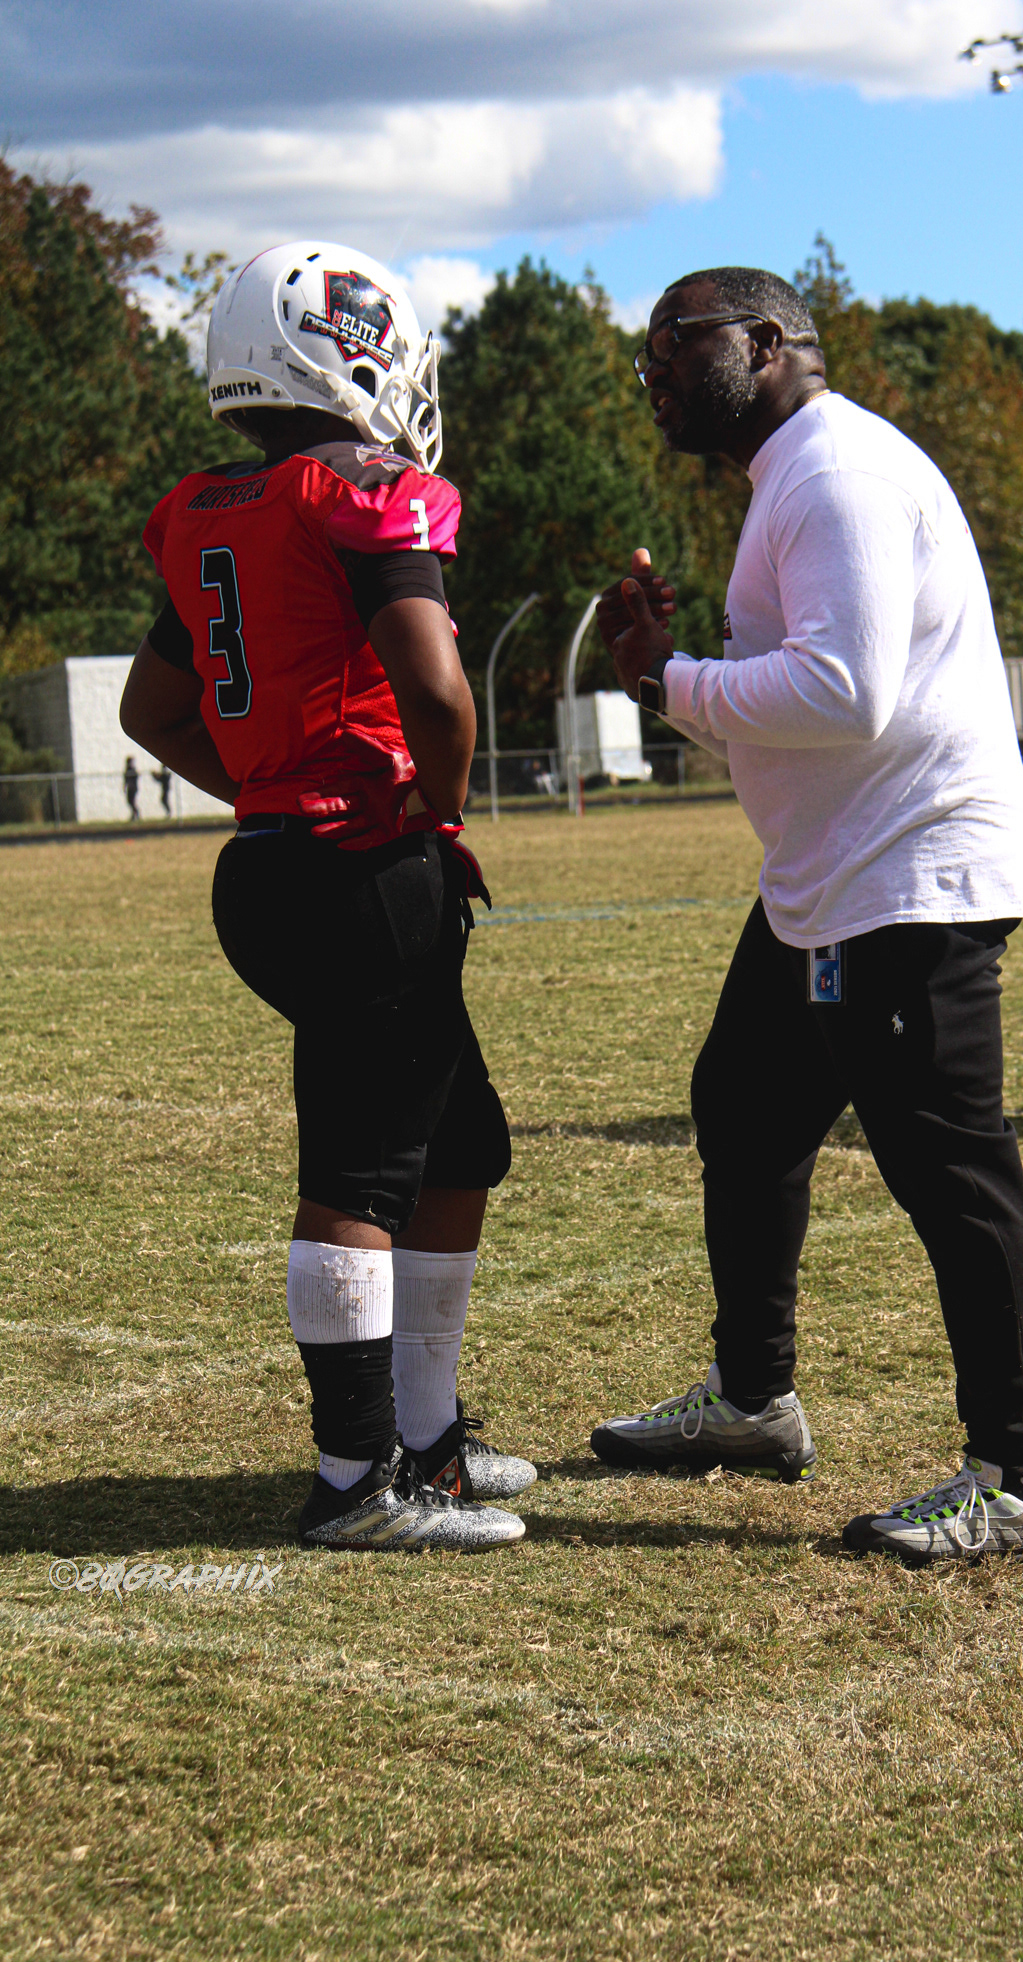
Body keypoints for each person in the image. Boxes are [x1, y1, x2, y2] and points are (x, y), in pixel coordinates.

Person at [589, 266, 1023, 1567]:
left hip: (906, 878)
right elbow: (795, 705)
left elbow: (846, 693)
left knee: (950, 1172)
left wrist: (674, 676)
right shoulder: (792, 477)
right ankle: (754, 1400)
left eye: (675, 345)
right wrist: (665, 682)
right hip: (830, 879)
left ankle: (1014, 1482)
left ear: (763, 342)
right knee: (742, 1105)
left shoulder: (835, 471)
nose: (655, 373)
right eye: (648, 354)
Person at [121, 241, 534, 1552]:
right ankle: (357, 1479)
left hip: (272, 865)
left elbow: (151, 711)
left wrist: (263, 785)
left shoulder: (207, 509)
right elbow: (439, 693)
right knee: (362, 1167)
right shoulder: (363, 491)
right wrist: (434, 807)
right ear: (343, 353)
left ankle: (426, 1435)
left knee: (460, 1147)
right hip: (360, 863)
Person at [122, 756, 140, 821]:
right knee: (130, 801)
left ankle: (135, 814)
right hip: (130, 788)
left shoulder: (132, 769)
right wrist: (125, 787)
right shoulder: (127, 769)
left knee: (132, 801)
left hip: (133, 788)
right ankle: (134, 814)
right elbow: (125, 779)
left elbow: (135, 777)